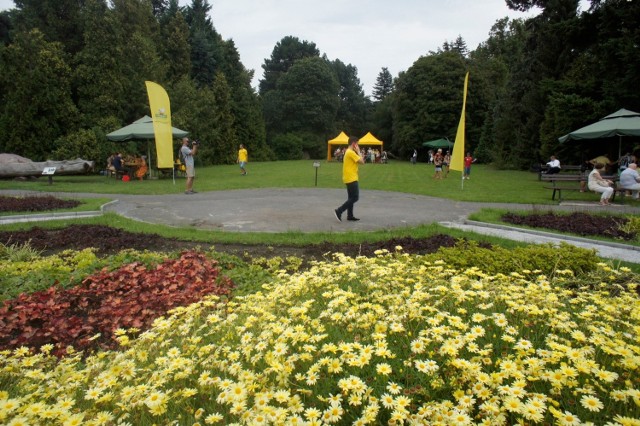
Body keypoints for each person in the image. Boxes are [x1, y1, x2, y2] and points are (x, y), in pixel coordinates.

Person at [334, 137, 365, 222]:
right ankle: (339, 210)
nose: (358, 145)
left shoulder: (348, 152)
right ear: (354, 144)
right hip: (351, 178)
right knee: (355, 197)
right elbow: (362, 162)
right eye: (357, 144)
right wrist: (358, 151)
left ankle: (350, 215)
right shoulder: (351, 152)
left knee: (351, 197)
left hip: (348, 177)